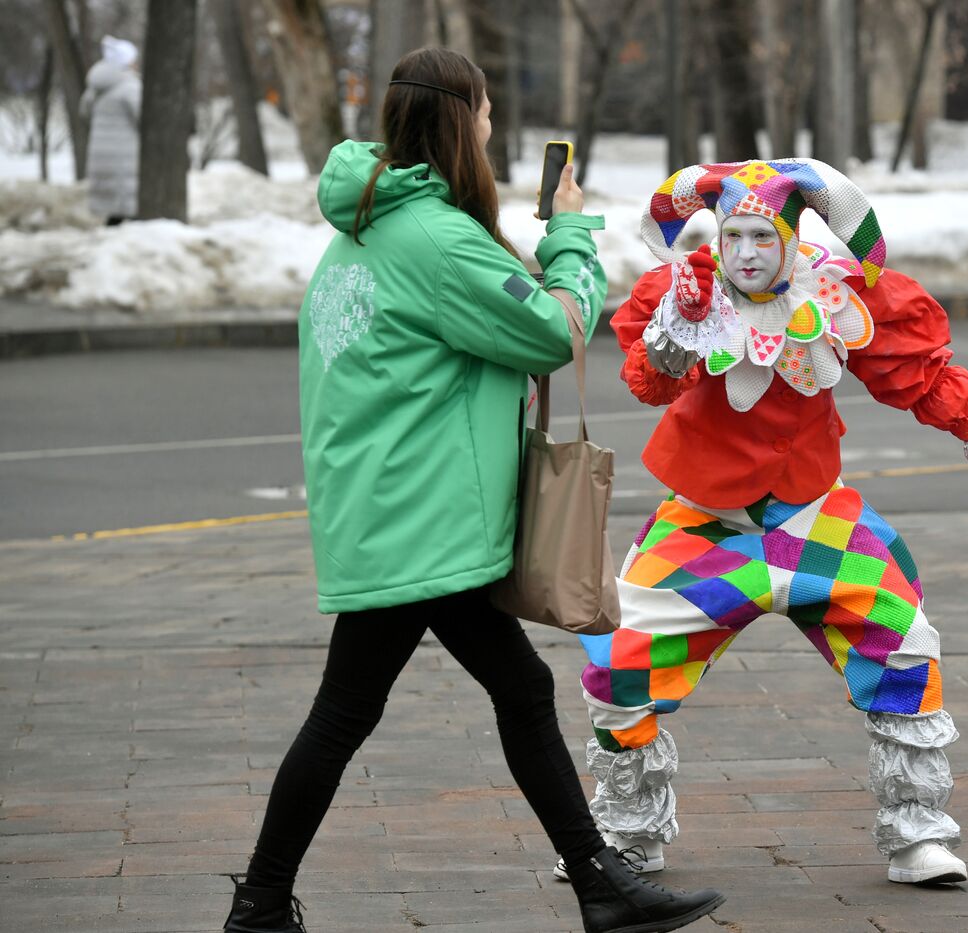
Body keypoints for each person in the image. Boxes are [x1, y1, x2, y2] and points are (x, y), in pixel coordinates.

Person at [221, 48, 723, 933]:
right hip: (420, 516)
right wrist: (571, 236)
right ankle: (260, 905)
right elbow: (554, 331)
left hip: (393, 506)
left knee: (502, 690)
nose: (492, 126)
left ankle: (597, 883)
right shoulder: (435, 238)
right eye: (487, 110)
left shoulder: (369, 223)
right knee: (352, 710)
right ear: (464, 119)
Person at [551, 158, 968, 889]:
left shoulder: (832, 293)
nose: (746, 253)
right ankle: (629, 833)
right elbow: (650, 383)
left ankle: (918, 832)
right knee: (619, 661)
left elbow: (918, 375)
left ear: (792, 239)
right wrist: (680, 326)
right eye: (733, 236)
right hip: (705, 523)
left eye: (763, 236)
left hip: (815, 516)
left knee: (903, 642)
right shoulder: (688, 290)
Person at [81, 35, 142, 225]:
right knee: (126, 205)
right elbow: (143, 118)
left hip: (100, 154)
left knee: (112, 209)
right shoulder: (130, 86)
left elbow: (85, 112)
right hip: (124, 155)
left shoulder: (95, 88)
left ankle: (113, 230)